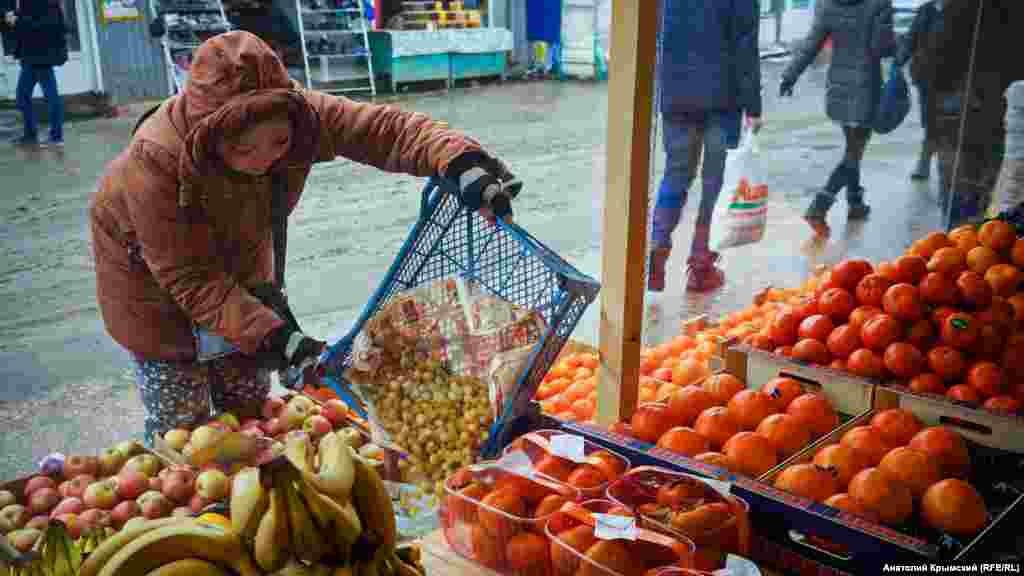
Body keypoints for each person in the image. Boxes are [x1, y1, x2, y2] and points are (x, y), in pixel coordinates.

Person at [89, 31, 519, 446]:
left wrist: (462, 163)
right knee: (184, 425)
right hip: (152, 283)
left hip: (241, 262)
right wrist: (280, 339)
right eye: (244, 151)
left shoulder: (299, 113)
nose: (264, 160)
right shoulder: (155, 162)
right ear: (210, 138)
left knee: (252, 411)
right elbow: (191, 278)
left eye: (279, 143)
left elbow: (385, 129)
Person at [648, 0, 763, 293]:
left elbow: (656, 30)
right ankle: (701, 268)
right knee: (715, 184)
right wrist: (753, 105)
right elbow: (745, 45)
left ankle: (656, 249)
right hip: (723, 98)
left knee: (675, 175)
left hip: (676, 92)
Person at [779, 0, 895, 239]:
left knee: (852, 148)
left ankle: (855, 202)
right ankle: (819, 207)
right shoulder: (878, 4)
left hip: (838, 88)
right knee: (854, 152)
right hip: (866, 87)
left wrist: (790, 75)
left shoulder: (827, 4)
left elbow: (811, 44)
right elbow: (881, 47)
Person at [912, 0, 1024, 228]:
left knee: (963, 211)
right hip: (1003, 120)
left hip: (961, 118)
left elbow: (927, 69)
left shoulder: (960, 8)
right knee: (1000, 204)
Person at [6, 0, 68, 147]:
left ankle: (56, 136)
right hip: (31, 56)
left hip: (41, 55)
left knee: (50, 96)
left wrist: (18, 20)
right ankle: (31, 134)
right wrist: (13, 18)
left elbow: (45, 25)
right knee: (23, 96)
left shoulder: (45, 3)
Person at [896, 0, 943, 180]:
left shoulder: (964, 10)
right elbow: (911, 38)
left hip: (955, 77)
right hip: (926, 77)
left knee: (950, 121)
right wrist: (899, 60)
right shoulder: (926, 10)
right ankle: (925, 162)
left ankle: (942, 164)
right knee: (930, 121)